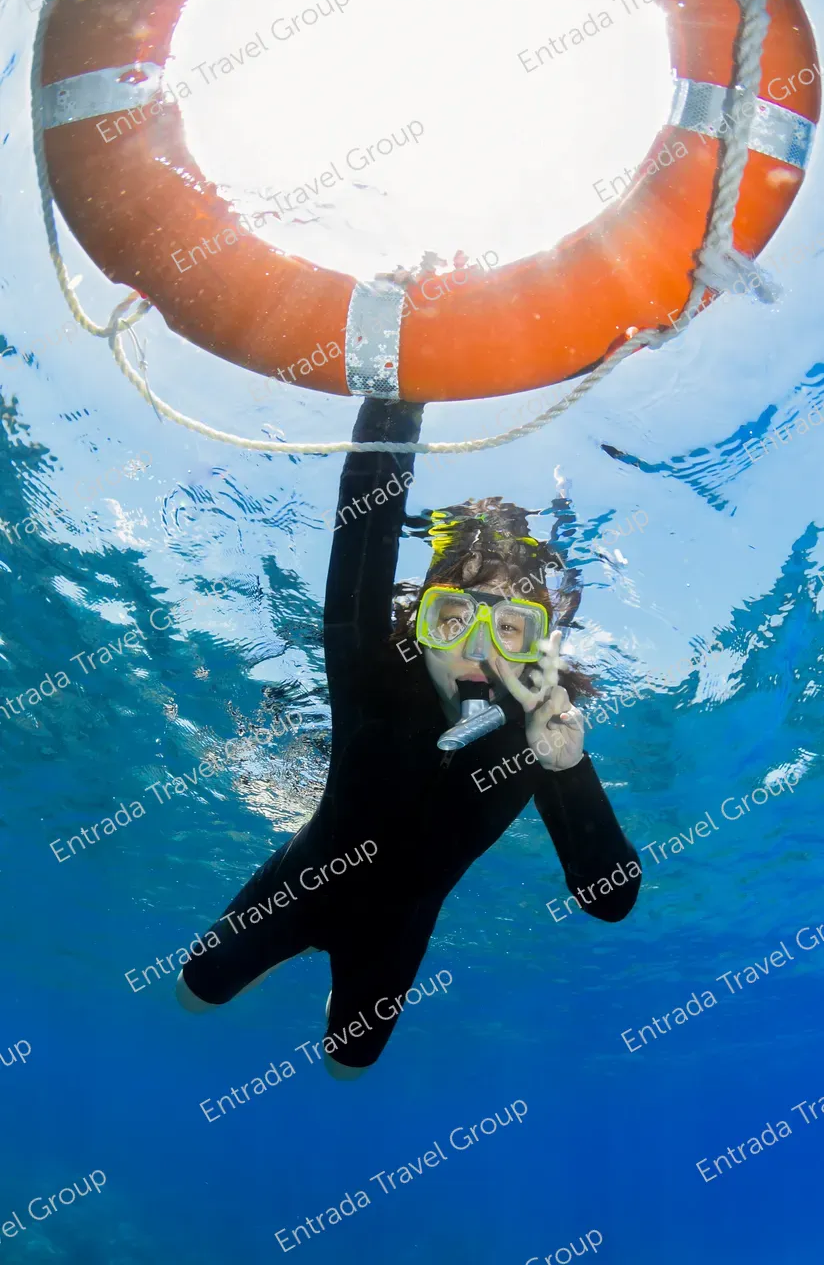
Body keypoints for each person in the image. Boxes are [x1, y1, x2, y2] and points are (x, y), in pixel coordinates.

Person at [176, 398, 641, 1077]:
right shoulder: (369, 667)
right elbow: (365, 525)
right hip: (294, 889)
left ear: (537, 644)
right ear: (419, 619)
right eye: (452, 619)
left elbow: (611, 901)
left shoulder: (537, 732)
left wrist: (568, 767)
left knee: (348, 1064)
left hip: (394, 937)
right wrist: (397, 396)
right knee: (194, 994)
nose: (477, 651)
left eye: (509, 629)